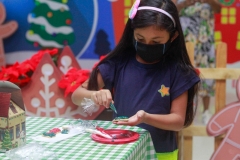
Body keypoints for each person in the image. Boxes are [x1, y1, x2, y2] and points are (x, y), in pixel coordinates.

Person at [72, 0, 200, 159]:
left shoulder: (178, 72)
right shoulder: (118, 64)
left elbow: (178, 121)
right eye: (140, 38)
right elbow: (76, 96)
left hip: (161, 153)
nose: (148, 45)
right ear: (132, 32)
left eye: (156, 42)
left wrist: (145, 118)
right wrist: (94, 95)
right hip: (121, 151)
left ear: (173, 36)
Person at [172, 0, 221, 125]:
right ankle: (187, 110)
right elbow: (172, 10)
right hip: (187, 42)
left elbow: (218, 9)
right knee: (185, 74)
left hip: (206, 43)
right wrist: (185, 3)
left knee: (208, 77)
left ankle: (206, 112)